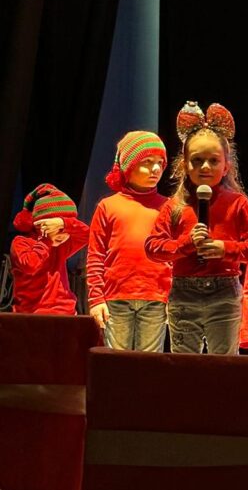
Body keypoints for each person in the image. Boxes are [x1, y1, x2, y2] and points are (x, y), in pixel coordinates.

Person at [145, 101, 248, 354]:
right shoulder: (175, 205)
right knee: (185, 367)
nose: (205, 167)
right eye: (197, 161)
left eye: (213, 160)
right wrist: (185, 244)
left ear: (226, 165)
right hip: (183, 293)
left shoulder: (237, 203)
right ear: (184, 164)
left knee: (223, 366)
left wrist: (226, 249)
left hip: (225, 291)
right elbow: (153, 247)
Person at [86, 130, 172, 350]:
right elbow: (95, 256)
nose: (155, 169)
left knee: (150, 367)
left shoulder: (169, 207)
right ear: (128, 166)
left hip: (157, 297)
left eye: (160, 162)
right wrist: (96, 299)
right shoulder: (108, 206)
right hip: (116, 298)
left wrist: (174, 297)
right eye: (147, 162)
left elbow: (176, 256)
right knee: (116, 365)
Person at [11, 184, 89, 314]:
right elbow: (31, 265)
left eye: (66, 231)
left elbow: (87, 234)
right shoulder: (21, 242)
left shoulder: (61, 246)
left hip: (64, 312)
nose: (64, 234)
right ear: (40, 225)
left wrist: (64, 223)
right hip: (31, 315)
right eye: (57, 229)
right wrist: (45, 240)